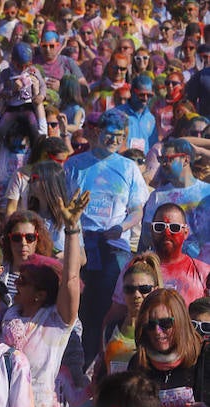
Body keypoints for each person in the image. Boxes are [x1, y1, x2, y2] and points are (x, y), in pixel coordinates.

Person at [65, 109, 149, 361]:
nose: (114, 140)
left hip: (114, 247)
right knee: (78, 310)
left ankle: (106, 363)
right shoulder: (75, 165)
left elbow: (137, 210)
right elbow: (64, 208)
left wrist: (120, 228)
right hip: (80, 245)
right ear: (97, 132)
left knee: (109, 311)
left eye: (120, 136)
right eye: (110, 134)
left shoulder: (129, 167)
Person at [0, 188, 89, 407]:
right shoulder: (11, 312)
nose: (16, 285)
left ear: (40, 294)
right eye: (16, 238)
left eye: (23, 282)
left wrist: (72, 230)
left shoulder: (55, 320)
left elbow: (70, 279)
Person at [92, 254, 162, 384]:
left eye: (144, 289)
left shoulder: (161, 330)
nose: (136, 295)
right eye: (129, 289)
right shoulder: (111, 328)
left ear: (155, 290)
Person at [139, 139, 210, 261]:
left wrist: (201, 151)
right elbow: (146, 237)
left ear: (186, 160)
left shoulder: (207, 192)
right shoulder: (157, 196)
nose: (164, 164)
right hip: (167, 268)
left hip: (203, 269)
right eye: (162, 160)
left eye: (169, 159)